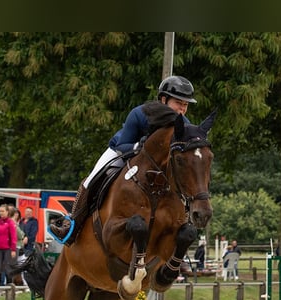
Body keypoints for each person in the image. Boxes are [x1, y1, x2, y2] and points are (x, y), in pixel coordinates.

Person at [49, 75, 197, 245]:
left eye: (185, 105)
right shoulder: (140, 113)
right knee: (91, 179)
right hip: (125, 152)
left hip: (159, 166)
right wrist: (138, 147)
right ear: (164, 99)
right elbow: (122, 145)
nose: (183, 109)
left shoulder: (184, 124)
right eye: (179, 103)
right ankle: (72, 225)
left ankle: (182, 227)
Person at [0, 204, 18, 286]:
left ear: (7, 212)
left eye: (3, 211)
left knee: (7, 267)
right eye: (0, 211)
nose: (1, 213)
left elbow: (13, 237)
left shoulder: (10, 222)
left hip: (8, 248)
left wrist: (13, 249)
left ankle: (9, 286)